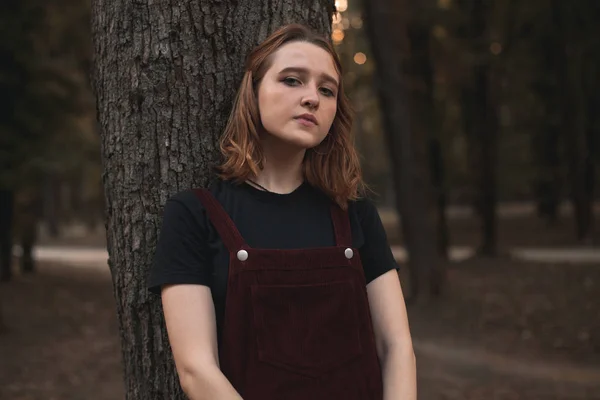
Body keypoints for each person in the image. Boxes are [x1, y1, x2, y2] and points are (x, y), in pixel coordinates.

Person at [148, 23, 416, 400]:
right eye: (292, 80)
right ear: (253, 91)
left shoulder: (354, 214)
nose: (312, 98)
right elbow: (196, 369)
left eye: (327, 90)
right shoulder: (195, 214)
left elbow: (397, 347)